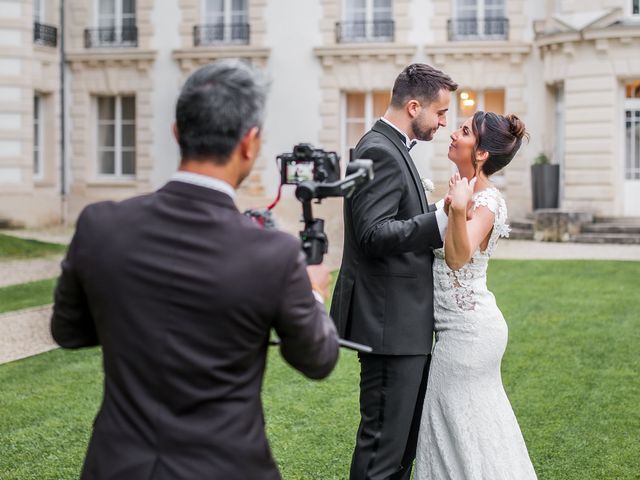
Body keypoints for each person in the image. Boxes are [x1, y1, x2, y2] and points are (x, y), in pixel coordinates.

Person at [50, 60, 339, 480]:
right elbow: (318, 358)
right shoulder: (273, 254)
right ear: (250, 143)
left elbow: (68, 331)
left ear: (176, 133)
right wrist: (313, 292)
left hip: (116, 465)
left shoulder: (99, 225)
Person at [331, 63, 458, 480]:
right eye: (440, 113)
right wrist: (438, 222)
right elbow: (372, 233)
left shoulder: (393, 147)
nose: (443, 122)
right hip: (388, 325)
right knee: (382, 450)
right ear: (415, 106)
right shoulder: (378, 150)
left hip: (403, 324)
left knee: (401, 449)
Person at [414, 111, 537, 478]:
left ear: (481, 153)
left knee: (451, 428)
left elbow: (457, 256)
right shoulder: (464, 189)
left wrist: (457, 207)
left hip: (467, 334)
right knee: (471, 429)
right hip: (459, 330)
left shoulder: (485, 201)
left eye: (464, 131)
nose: (453, 133)